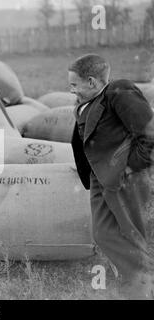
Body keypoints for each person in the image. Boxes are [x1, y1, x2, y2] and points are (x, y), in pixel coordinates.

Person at [68, 53, 154, 299]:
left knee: (135, 235)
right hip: (99, 178)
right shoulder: (86, 104)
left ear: (92, 82)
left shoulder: (119, 90)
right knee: (104, 234)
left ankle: (139, 287)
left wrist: (127, 168)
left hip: (125, 179)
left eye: (74, 85)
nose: (71, 90)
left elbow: (149, 135)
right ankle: (139, 281)